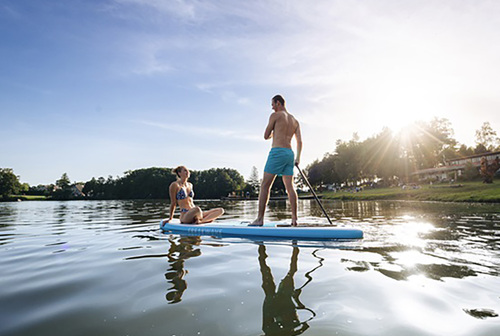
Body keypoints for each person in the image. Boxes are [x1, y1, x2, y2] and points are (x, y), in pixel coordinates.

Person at [251, 95, 302, 226]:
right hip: (289, 154)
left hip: (277, 152)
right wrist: (298, 158)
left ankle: (259, 219)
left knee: (265, 185)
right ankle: (294, 219)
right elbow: (300, 142)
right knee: (290, 187)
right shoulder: (294, 120)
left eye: (272, 104)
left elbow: (265, 136)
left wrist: (274, 132)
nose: (272, 107)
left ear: (278, 103)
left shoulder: (275, 116)